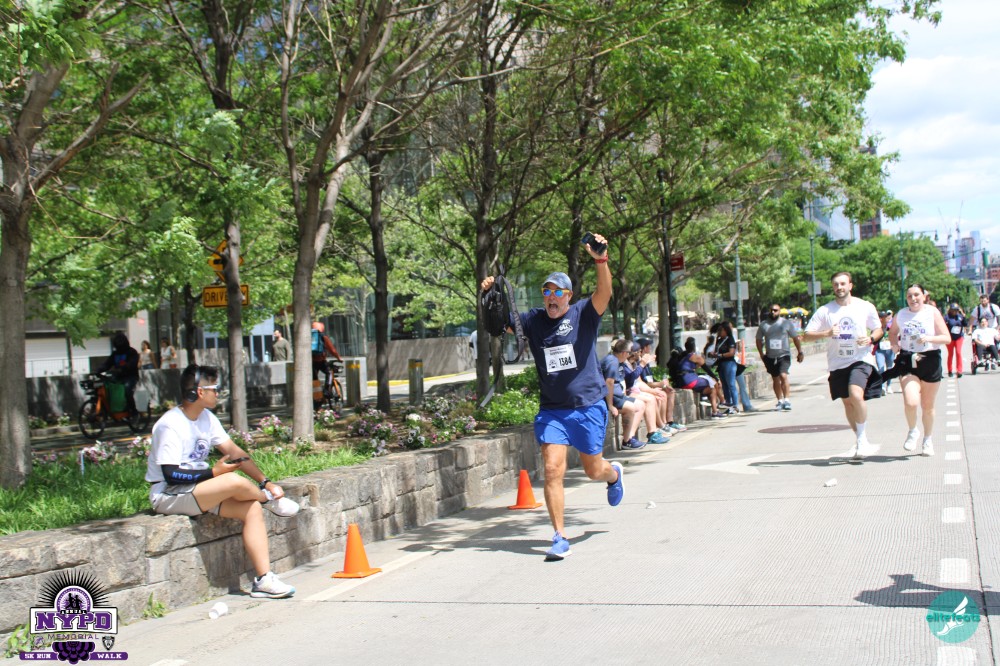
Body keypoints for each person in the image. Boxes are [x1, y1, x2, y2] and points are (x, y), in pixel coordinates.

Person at [479, 233, 621, 562]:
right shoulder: (534, 320)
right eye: (547, 291)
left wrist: (601, 260)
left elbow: (605, 292)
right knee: (553, 469)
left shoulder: (584, 313)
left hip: (587, 406)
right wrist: (488, 291)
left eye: (558, 292)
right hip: (553, 410)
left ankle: (613, 475)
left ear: (568, 296)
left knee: (593, 470)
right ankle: (559, 536)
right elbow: (501, 321)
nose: (551, 297)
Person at [146, 364, 300, 598]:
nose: (217, 393)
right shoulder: (170, 425)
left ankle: (264, 580)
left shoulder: (206, 418)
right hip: (168, 494)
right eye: (214, 388)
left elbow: (234, 452)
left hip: (197, 490)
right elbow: (170, 474)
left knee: (251, 509)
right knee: (231, 481)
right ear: (199, 392)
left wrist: (266, 481)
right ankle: (268, 500)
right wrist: (214, 473)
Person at [802, 271, 883, 460]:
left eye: (843, 284)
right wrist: (827, 333)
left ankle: (862, 440)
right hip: (837, 362)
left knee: (856, 394)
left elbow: (878, 329)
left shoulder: (864, 306)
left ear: (850, 285)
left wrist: (870, 339)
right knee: (847, 402)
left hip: (860, 358)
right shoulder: (825, 311)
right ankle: (860, 438)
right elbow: (806, 335)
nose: (839, 287)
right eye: (836, 284)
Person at [888, 284, 950, 456]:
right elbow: (892, 333)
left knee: (927, 406)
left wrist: (928, 338)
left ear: (924, 296)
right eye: (909, 296)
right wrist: (894, 345)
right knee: (911, 401)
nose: (913, 299)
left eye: (916, 295)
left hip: (930, 358)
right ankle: (913, 430)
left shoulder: (932, 312)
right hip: (908, 359)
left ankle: (928, 439)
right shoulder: (901, 314)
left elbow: (946, 338)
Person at [601, 339, 651, 450]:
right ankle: (626, 441)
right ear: (623, 353)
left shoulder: (619, 362)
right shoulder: (612, 362)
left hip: (619, 395)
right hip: (610, 397)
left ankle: (630, 437)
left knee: (641, 405)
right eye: (628, 352)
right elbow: (609, 382)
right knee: (631, 407)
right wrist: (610, 405)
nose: (629, 355)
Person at [755, 304, 804, 411]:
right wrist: (761, 354)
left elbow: (795, 338)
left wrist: (800, 351)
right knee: (775, 378)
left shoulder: (786, 323)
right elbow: (758, 339)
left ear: (779, 311)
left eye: (775, 310)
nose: (773, 312)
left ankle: (787, 400)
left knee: (783, 375)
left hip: (784, 354)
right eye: (771, 310)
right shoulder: (764, 325)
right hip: (770, 356)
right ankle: (780, 401)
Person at [635, 336, 686, 434]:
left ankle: (669, 422)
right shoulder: (639, 363)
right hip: (644, 388)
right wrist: (659, 384)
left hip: (649, 386)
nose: (650, 348)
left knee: (670, 391)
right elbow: (644, 383)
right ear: (644, 348)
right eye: (648, 346)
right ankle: (663, 425)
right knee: (661, 395)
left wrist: (663, 384)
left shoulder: (646, 362)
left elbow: (650, 379)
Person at [674, 336, 726, 418]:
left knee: (711, 390)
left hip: (681, 382)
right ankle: (721, 403)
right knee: (713, 382)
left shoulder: (684, 356)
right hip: (690, 381)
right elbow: (707, 369)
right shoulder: (695, 357)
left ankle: (714, 409)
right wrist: (716, 378)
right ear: (694, 347)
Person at [98, 332, 140, 415]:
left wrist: (123, 368)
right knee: (108, 388)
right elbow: (107, 364)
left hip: (131, 377)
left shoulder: (132, 352)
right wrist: (99, 370)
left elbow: (132, 363)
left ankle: (133, 411)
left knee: (127, 389)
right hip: (118, 376)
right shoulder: (115, 354)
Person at [714, 321, 741, 414]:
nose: (719, 332)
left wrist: (721, 355)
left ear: (725, 330)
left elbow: (731, 353)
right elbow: (716, 350)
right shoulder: (719, 340)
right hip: (721, 364)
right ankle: (728, 406)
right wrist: (714, 354)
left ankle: (735, 406)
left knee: (731, 384)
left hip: (729, 363)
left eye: (721, 330)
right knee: (725, 386)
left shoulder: (730, 339)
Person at [874, 310, 897, 394]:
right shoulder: (876, 328)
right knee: (881, 368)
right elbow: (873, 339)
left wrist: (895, 345)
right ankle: (882, 386)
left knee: (889, 368)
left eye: (888, 317)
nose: (887, 318)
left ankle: (889, 386)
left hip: (889, 350)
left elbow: (896, 335)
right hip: (879, 351)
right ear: (880, 319)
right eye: (885, 317)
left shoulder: (891, 327)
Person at [943, 303, 967, 378]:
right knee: (950, 354)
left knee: (958, 352)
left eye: (956, 310)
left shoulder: (960, 317)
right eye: (953, 310)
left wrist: (963, 315)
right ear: (950, 310)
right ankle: (950, 370)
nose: (954, 312)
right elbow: (943, 326)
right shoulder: (947, 317)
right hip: (950, 338)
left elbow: (965, 324)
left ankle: (959, 371)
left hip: (959, 337)